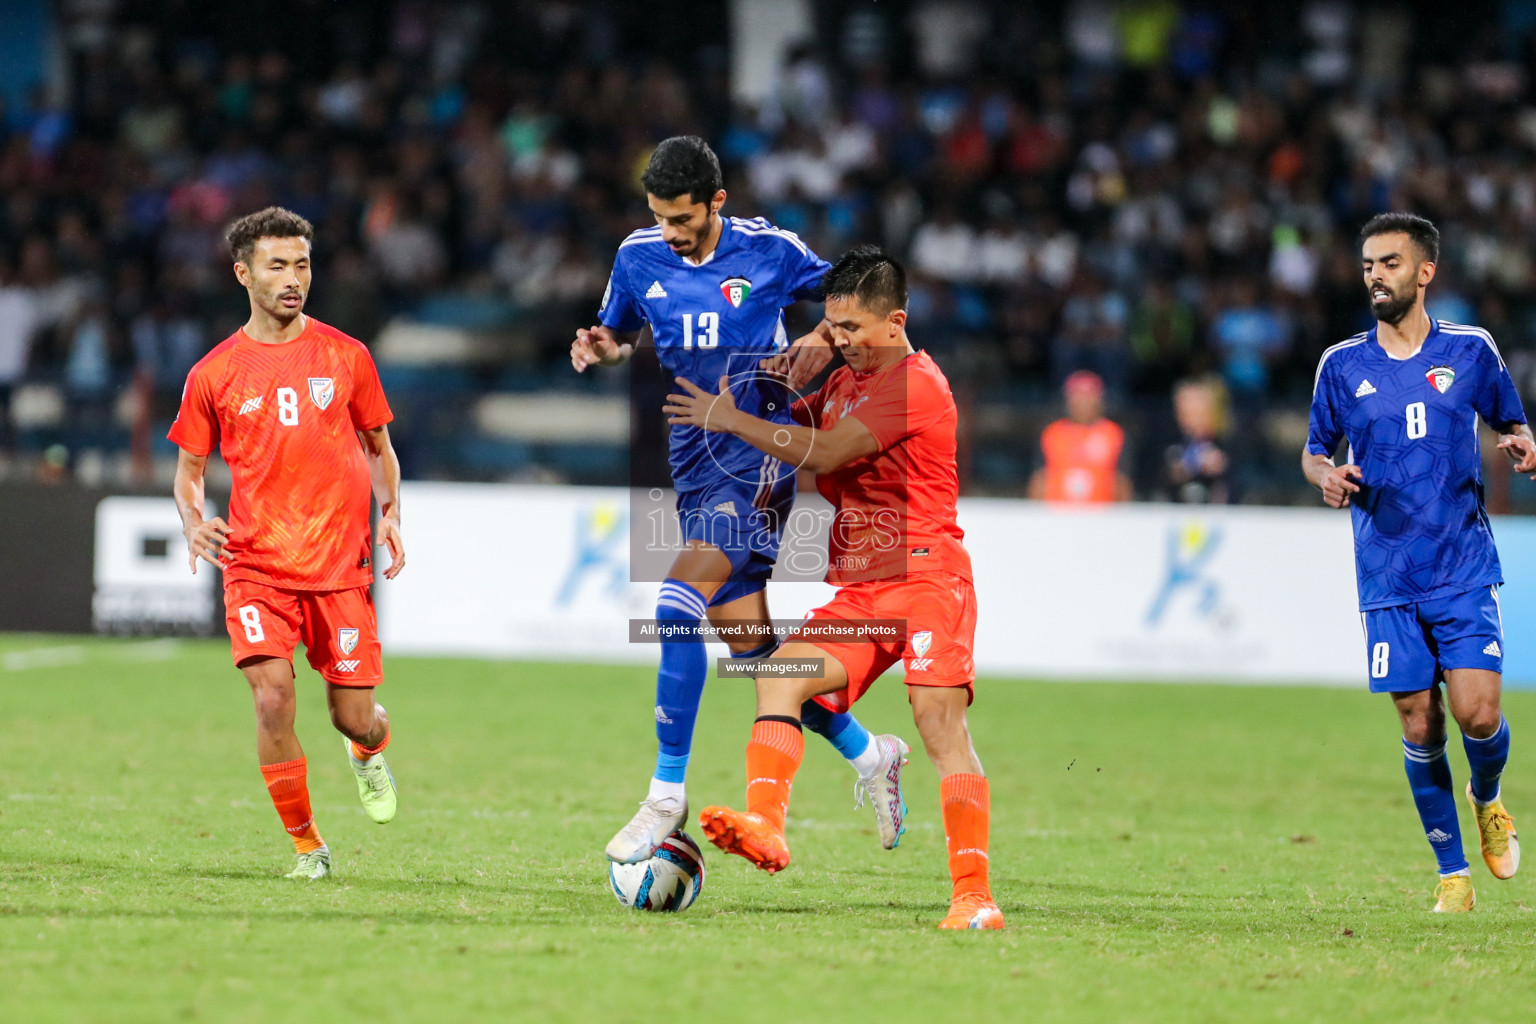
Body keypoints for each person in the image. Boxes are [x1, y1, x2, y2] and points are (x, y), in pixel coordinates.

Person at [570, 136, 908, 865]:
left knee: (674, 602)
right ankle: (871, 753)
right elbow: (620, 328)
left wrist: (819, 336)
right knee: (760, 658)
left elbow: (847, 301)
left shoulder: (771, 251)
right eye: (659, 217)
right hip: (693, 460)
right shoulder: (637, 256)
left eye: (683, 218)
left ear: (717, 203)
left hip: (755, 454)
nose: (671, 232)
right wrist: (600, 344)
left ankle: (666, 793)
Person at [664, 245, 1002, 930]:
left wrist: (726, 417)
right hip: (862, 592)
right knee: (780, 675)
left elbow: (822, 453)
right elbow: (786, 432)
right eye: (831, 325)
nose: (840, 340)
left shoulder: (917, 384)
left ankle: (973, 895)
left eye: (850, 330)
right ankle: (766, 825)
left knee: (938, 721)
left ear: (894, 321)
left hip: (928, 576)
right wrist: (777, 373)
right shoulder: (845, 379)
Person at [1303, 212, 1535, 912]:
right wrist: (1325, 477)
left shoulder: (1471, 351)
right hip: (1386, 573)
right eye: (1369, 263)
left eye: (1390, 263)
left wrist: (1523, 442)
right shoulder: (1342, 365)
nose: (1375, 274)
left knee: (1478, 714)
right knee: (1418, 722)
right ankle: (1452, 873)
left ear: (1425, 272)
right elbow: (1315, 449)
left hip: (1461, 564)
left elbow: (1511, 420)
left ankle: (1487, 796)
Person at [169, 207, 405, 880]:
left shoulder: (346, 356)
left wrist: (390, 512)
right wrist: (192, 520)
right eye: (277, 265)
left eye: (302, 264)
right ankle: (309, 847)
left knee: (354, 717)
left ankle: (368, 751)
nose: (293, 278)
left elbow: (380, 447)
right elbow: (188, 472)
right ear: (243, 273)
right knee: (272, 699)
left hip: (338, 565)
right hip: (255, 564)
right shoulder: (214, 373)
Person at [1027, 370, 1131, 503]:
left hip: (1101, 515)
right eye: (1078, 396)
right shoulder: (1052, 433)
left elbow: (1121, 481)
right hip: (1057, 514)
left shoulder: (1113, 434)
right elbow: (1040, 478)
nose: (1083, 403)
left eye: (1088, 396)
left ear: (1099, 400)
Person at [1163, 377, 1231, 504]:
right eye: (1180, 406)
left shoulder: (1226, 441)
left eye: (1192, 404)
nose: (1184, 412)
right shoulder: (1169, 439)